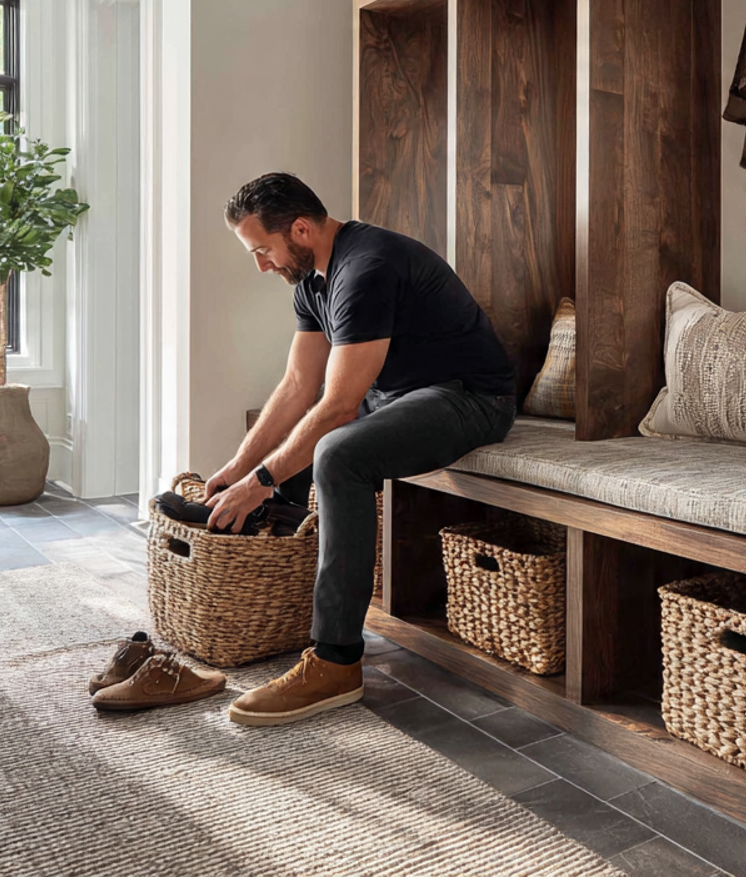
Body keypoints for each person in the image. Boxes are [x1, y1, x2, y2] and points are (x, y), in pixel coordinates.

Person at [205, 173, 516, 725]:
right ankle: (277, 610)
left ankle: (336, 661)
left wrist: (260, 483)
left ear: (301, 230)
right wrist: (239, 468)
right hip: (396, 396)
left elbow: (339, 407)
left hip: (470, 398)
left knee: (335, 453)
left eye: (263, 251)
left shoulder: (366, 267)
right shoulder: (311, 281)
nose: (262, 266)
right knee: (293, 453)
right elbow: (297, 386)